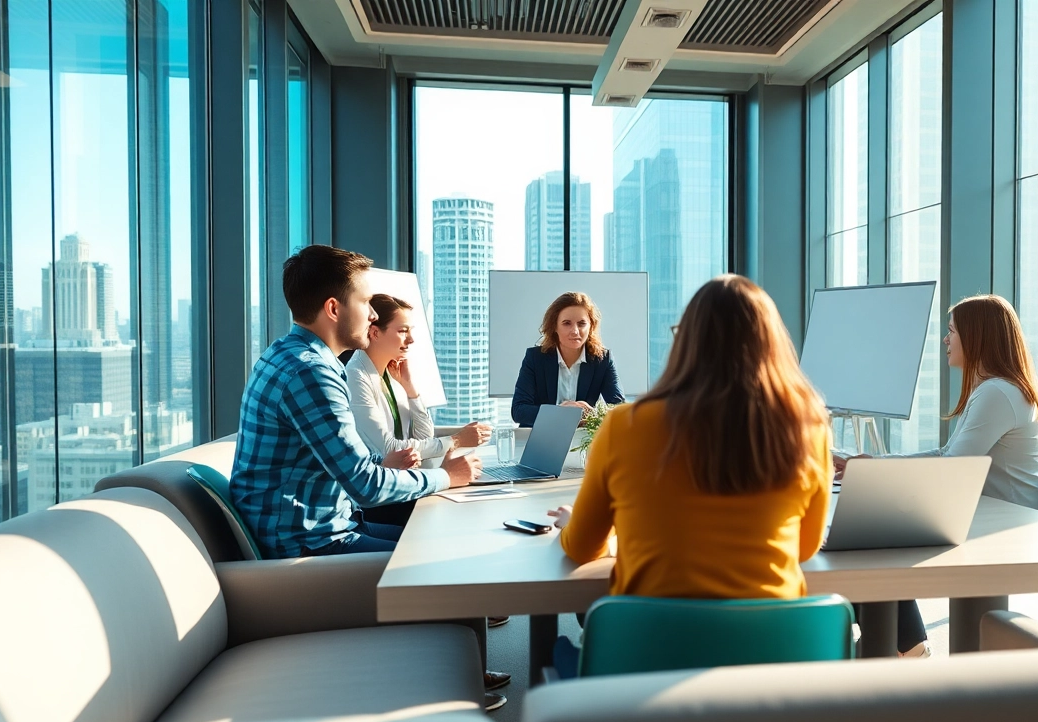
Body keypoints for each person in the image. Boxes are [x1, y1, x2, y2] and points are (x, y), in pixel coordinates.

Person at [228, 246, 507, 710]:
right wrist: (446, 477)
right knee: (447, 558)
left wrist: (408, 467)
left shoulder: (288, 356)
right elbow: (367, 485)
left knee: (439, 536)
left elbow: (352, 464)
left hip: (328, 524)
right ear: (333, 308)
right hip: (308, 545)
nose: (372, 313)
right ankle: (458, 689)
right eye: (364, 302)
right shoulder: (311, 373)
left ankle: (462, 671)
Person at [545, 275, 832, 674]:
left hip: (648, 664)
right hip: (771, 666)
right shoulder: (807, 428)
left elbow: (581, 549)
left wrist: (577, 524)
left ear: (687, 342)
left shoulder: (625, 426)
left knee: (559, 653)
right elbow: (803, 549)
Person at [834, 292, 1038, 657]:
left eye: (952, 331)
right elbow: (947, 456)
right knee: (872, 530)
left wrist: (875, 470)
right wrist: (873, 464)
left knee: (872, 535)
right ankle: (904, 642)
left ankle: (903, 643)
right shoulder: (994, 389)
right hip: (988, 509)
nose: (945, 339)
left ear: (977, 337)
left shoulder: (998, 393)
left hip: (1003, 519)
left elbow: (952, 465)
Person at [346, 293, 492, 526]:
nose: (411, 339)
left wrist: (410, 388)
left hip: (403, 489)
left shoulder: (390, 375)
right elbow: (388, 449)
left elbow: (424, 436)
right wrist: (455, 440)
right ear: (374, 333)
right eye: (403, 331)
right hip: (381, 502)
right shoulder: (356, 377)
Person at [511, 292, 624, 427]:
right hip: (541, 434)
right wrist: (559, 413)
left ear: (591, 327)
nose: (575, 331)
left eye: (581, 324)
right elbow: (519, 411)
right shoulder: (535, 358)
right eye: (566, 323)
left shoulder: (602, 359)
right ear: (554, 327)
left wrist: (592, 414)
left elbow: (619, 411)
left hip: (582, 436)